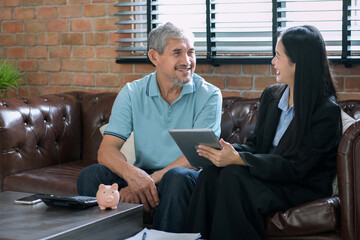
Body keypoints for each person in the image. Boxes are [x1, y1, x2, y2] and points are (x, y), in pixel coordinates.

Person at [184, 25, 342, 240]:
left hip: (299, 186)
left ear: (298, 62)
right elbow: (256, 145)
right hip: (268, 177)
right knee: (211, 174)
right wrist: (224, 151)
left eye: (278, 56)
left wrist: (239, 159)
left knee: (232, 175)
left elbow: (297, 168)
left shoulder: (325, 112)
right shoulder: (272, 95)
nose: (273, 62)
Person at [76, 22, 222, 233]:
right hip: (144, 174)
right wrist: (133, 176)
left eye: (191, 52)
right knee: (91, 176)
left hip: (187, 178)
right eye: (177, 53)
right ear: (154, 57)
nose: (187, 61)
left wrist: (148, 181)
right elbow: (107, 151)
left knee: (177, 177)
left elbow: (198, 157)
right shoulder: (132, 92)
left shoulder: (209, 95)